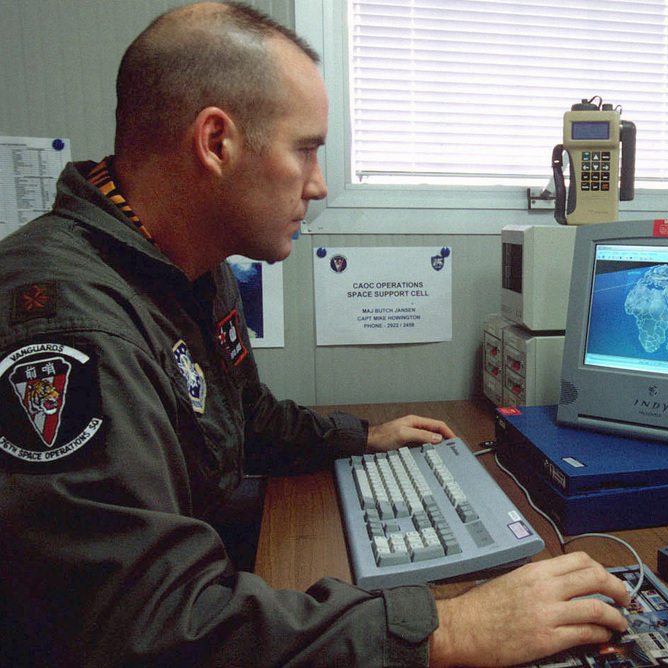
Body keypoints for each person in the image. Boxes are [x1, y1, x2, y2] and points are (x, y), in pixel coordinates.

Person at [0, 2, 629, 667]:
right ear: (217, 143)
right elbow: (144, 628)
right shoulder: (69, 326)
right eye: (306, 149)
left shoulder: (186, 266)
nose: (320, 184)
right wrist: (447, 631)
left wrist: (363, 437)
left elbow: (243, 417)